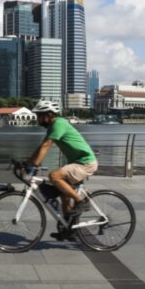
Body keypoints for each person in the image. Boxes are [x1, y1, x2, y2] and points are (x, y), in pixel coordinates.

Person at [24, 100, 98, 241]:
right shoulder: (53, 126)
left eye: (39, 116)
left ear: (48, 115)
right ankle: (68, 228)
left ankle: (81, 201)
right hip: (78, 163)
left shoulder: (58, 124)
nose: (38, 119)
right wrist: (27, 162)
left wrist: (34, 165)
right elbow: (42, 147)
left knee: (54, 176)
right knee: (64, 195)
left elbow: (46, 146)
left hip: (86, 163)